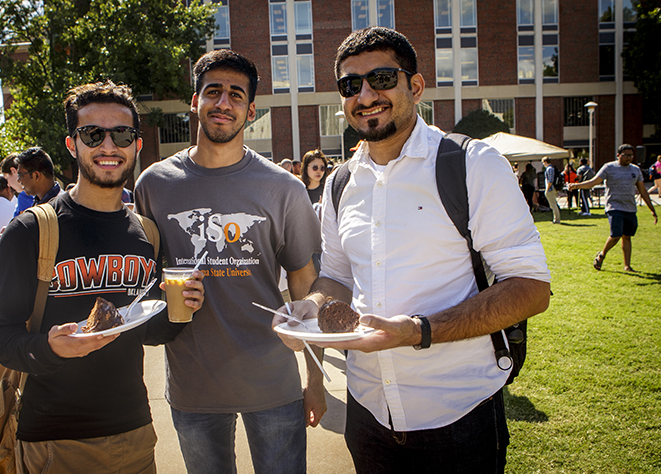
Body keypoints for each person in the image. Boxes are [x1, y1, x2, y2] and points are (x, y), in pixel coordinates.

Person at [273, 27, 551, 473]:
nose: (365, 95)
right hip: (366, 412)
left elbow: (532, 289)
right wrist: (309, 307)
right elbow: (337, 276)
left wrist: (418, 330)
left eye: (382, 78)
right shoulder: (341, 182)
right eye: (351, 85)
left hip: (459, 416)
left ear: (415, 86)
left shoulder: (472, 165)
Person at [0, 80, 204, 473]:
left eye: (121, 134)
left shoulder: (146, 233)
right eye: (92, 134)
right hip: (55, 440)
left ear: (136, 145)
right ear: (72, 145)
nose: (108, 146)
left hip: (135, 433)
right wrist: (49, 349)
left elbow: (145, 331)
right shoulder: (32, 231)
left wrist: (182, 309)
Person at [134, 49, 324, 474]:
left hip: (273, 384)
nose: (223, 103)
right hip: (193, 387)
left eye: (236, 95)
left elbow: (304, 285)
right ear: (195, 101)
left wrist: (315, 380)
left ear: (251, 110)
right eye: (213, 91)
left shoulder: (283, 188)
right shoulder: (154, 184)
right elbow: (141, 279)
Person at [569, 144, 657, 272]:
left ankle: (627, 266)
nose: (629, 158)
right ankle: (601, 255)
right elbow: (593, 182)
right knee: (615, 235)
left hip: (630, 208)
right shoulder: (609, 167)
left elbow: (643, 190)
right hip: (614, 206)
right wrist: (577, 186)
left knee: (627, 236)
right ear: (618, 155)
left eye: (631, 156)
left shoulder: (635, 170)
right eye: (626, 155)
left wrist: (652, 210)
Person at [542, 157, 561, 223]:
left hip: (550, 189)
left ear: (546, 162)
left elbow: (550, 180)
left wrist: (547, 189)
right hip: (553, 188)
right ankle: (556, 218)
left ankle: (556, 219)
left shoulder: (549, 169)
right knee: (553, 204)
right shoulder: (552, 168)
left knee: (553, 205)